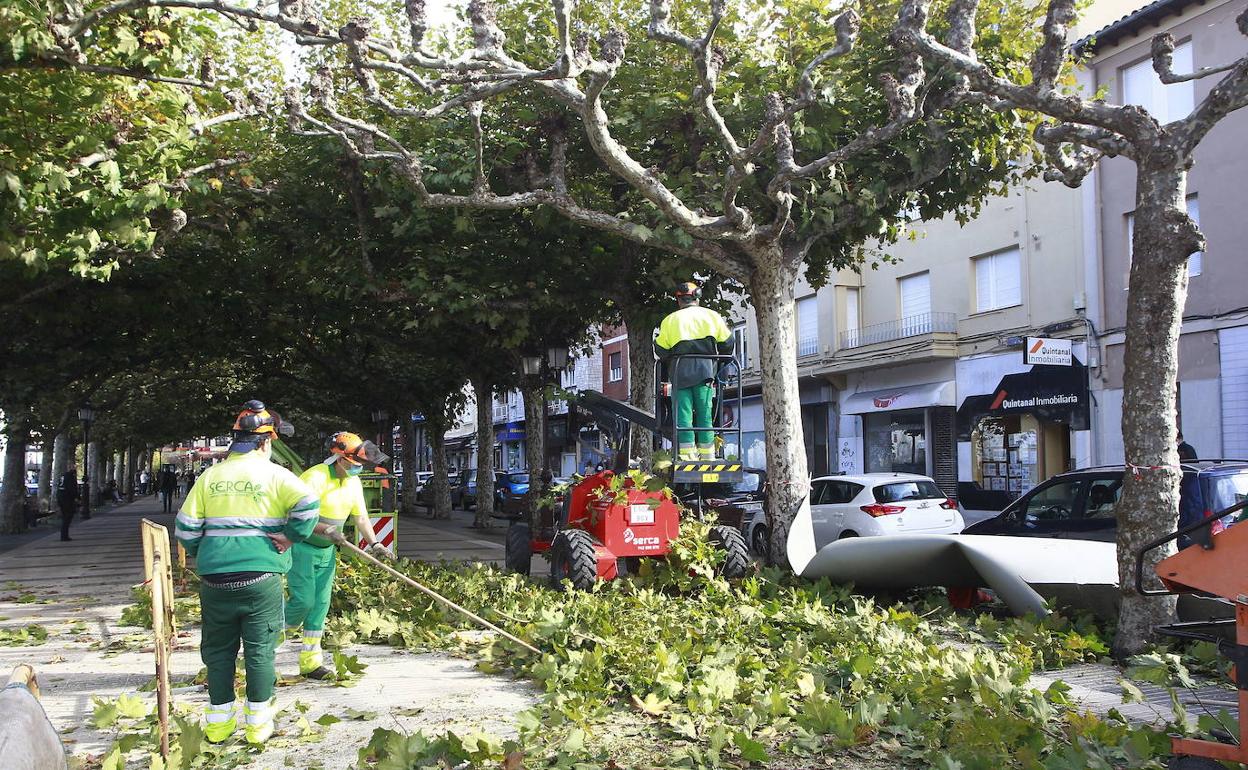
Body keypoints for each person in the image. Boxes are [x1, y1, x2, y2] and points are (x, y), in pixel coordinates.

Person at [175, 400, 320, 746]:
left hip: (214, 581)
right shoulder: (275, 474)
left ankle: (219, 725)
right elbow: (309, 505)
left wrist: (207, 555)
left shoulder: (210, 477)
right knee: (259, 651)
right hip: (261, 580)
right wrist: (290, 537)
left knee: (218, 651)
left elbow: (185, 528)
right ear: (266, 441)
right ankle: (257, 726)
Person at [285, 431, 394, 680]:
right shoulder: (314, 477)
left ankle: (311, 663)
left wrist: (374, 543)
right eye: (354, 464)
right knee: (303, 602)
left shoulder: (353, 482)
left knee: (320, 608)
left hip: (326, 552)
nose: (357, 469)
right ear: (338, 457)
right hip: (302, 549)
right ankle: (264, 649)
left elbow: (361, 517)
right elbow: (295, 517)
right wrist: (325, 529)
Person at [654, 282, 734, 460]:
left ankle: (687, 456)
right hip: (705, 372)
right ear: (697, 298)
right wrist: (720, 366)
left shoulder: (669, 320)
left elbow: (660, 349)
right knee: (705, 413)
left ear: (679, 300)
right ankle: (708, 456)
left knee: (683, 416)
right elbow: (728, 343)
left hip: (679, 373)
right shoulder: (712, 316)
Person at [56, 462, 79, 542]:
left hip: (61, 497)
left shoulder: (63, 476)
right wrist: (76, 497)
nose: (75, 468)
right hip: (67, 499)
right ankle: (64, 535)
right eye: (73, 467)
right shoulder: (70, 477)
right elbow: (72, 489)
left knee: (65, 517)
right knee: (67, 517)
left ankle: (64, 534)